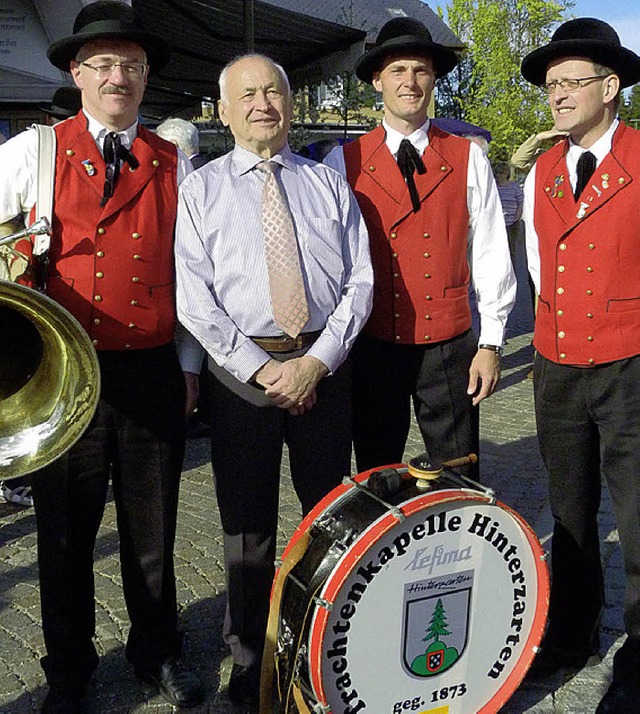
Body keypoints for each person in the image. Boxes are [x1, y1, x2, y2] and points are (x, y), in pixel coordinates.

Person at [0, 2, 204, 711]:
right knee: (62, 538)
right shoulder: (35, 151)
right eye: (105, 64)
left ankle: (158, 654)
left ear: (146, 79)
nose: (119, 77)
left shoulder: (176, 161)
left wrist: (189, 367)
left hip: (150, 367)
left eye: (132, 66)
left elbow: (191, 276)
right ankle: (69, 674)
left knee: (152, 533)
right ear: (76, 72)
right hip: (61, 378)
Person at [174, 53, 373, 704]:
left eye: (275, 92)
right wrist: (264, 370)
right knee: (247, 527)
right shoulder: (200, 190)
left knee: (327, 518)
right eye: (248, 94)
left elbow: (360, 282)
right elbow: (194, 300)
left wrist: (316, 363)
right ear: (224, 111)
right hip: (242, 377)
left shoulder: (327, 183)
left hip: (324, 368)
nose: (263, 103)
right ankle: (249, 658)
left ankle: (322, 643)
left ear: (290, 104)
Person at [324, 17, 516, 478]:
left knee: (458, 474)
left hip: (449, 348)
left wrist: (491, 343)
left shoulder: (468, 156)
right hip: (372, 345)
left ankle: (463, 550)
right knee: (377, 472)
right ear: (377, 80)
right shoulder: (341, 161)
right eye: (397, 71)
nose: (409, 82)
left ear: (432, 80)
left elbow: (491, 251)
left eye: (420, 70)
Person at [520, 17, 640, 712]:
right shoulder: (543, 170)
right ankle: (572, 634)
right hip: (559, 364)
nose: (557, 95)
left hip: (629, 361)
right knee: (569, 511)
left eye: (571, 83)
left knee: (637, 512)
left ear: (611, 85)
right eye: (551, 85)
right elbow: (541, 267)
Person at [493, 161, 523, 268]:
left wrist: (517, 217)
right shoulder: (493, 187)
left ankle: (512, 273)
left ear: (506, 174)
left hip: (512, 223)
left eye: (501, 173)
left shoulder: (514, 186)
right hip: (497, 223)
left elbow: (521, 202)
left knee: (511, 250)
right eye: (497, 173)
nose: (499, 175)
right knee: (497, 250)